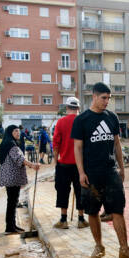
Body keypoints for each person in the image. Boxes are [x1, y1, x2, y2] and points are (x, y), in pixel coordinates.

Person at [71, 82, 129, 258]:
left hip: (110, 171)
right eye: (103, 98)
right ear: (94, 96)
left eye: (109, 98)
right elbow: (77, 148)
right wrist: (81, 172)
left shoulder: (112, 117)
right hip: (91, 173)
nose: (106, 102)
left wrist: (122, 167)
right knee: (93, 211)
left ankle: (124, 249)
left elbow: (117, 144)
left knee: (118, 210)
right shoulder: (82, 120)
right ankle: (99, 246)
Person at [52, 96, 87, 229]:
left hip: (64, 164)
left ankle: (63, 220)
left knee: (62, 191)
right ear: (78, 108)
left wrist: (56, 161)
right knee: (81, 191)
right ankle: (81, 219)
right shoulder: (84, 121)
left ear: (67, 108)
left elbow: (55, 144)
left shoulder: (60, 122)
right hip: (81, 166)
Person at [0, 124, 40, 234]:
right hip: (12, 177)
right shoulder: (11, 145)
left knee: (12, 202)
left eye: (18, 131)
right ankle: (10, 227)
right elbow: (20, 159)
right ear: (10, 133)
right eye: (15, 131)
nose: (18, 133)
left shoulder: (6, 143)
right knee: (12, 202)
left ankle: (11, 225)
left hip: (9, 177)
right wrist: (33, 165)